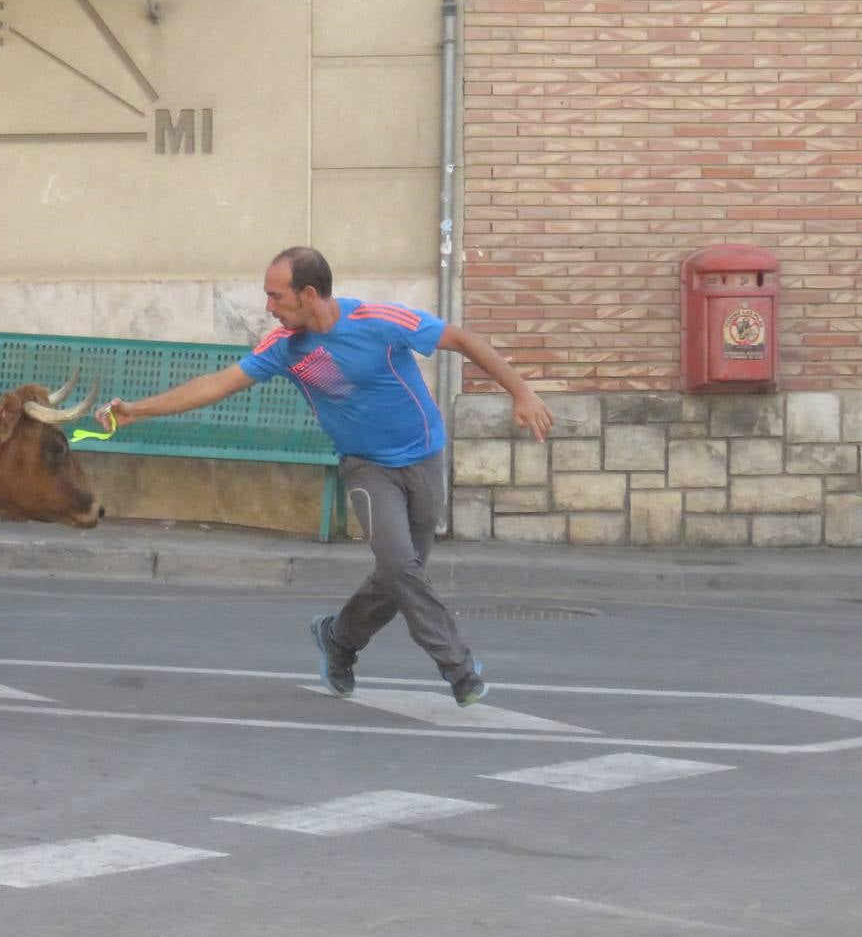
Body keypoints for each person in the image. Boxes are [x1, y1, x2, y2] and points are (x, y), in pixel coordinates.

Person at [97, 246, 554, 706]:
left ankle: (339, 638)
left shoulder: (378, 321)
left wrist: (521, 393)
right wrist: (137, 410)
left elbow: (463, 340)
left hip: (423, 456)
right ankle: (459, 670)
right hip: (366, 467)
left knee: (401, 575)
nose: (268, 308)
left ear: (309, 293)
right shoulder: (284, 348)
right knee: (400, 567)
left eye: (276, 297)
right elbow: (217, 383)